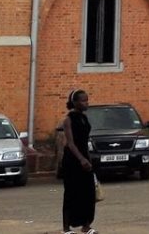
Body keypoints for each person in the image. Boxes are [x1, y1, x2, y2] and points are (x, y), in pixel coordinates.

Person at [60, 89, 98, 234]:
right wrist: (81, 159)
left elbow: (84, 140)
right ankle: (66, 228)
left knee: (88, 193)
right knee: (71, 193)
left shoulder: (84, 118)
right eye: (83, 100)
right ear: (74, 102)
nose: (86, 102)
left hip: (85, 158)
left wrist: (88, 158)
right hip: (72, 160)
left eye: (87, 100)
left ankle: (86, 225)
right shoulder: (68, 119)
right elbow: (70, 143)